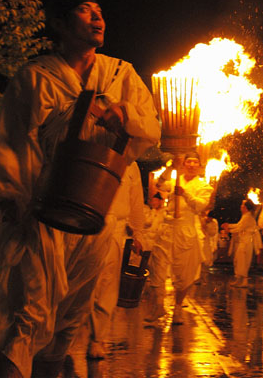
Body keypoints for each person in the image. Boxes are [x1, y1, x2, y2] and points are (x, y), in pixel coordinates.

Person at [0, 0, 160, 378]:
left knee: (68, 320)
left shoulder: (120, 74)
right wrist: (9, 195)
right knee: (31, 312)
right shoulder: (34, 77)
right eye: (84, 10)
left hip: (99, 211)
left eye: (100, 11)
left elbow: (151, 128)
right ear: (59, 23)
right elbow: (11, 140)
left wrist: (122, 115)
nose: (98, 18)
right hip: (43, 208)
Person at [84, 162, 145, 358]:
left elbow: (135, 198)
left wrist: (138, 232)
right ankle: (68, 334)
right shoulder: (92, 145)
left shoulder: (130, 164)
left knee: (107, 285)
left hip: (115, 230)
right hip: (86, 224)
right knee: (82, 285)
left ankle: (97, 338)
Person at [169, 152, 212, 324]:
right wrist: (171, 167)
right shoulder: (174, 180)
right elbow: (158, 185)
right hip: (168, 227)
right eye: (189, 161)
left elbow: (200, 205)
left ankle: (178, 307)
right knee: (161, 270)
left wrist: (184, 193)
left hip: (187, 230)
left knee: (185, 273)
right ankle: (157, 306)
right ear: (184, 164)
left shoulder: (204, 186)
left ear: (200, 166)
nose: (192, 165)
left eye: (195, 162)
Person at [142, 191, 171, 324]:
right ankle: (157, 307)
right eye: (152, 200)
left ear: (160, 201)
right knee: (153, 278)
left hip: (161, 248)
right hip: (150, 247)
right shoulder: (151, 212)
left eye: (155, 200)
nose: (153, 203)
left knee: (159, 277)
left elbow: (163, 231)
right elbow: (146, 224)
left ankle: (159, 307)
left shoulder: (166, 214)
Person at [228, 199, 261, 287]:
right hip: (243, 242)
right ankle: (239, 280)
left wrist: (229, 230)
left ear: (246, 207)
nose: (241, 207)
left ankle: (244, 281)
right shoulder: (246, 216)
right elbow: (239, 225)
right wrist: (229, 226)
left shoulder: (248, 217)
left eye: (242, 205)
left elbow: (240, 228)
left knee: (243, 261)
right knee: (239, 260)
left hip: (246, 242)